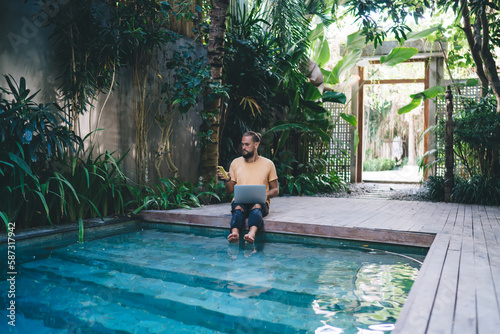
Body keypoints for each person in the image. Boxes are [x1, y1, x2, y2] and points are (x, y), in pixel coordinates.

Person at [218, 131, 279, 244]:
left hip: (260, 203)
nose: (243, 147)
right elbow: (229, 191)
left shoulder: (268, 164)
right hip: (240, 202)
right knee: (237, 209)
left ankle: (251, 234)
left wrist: (266, 194)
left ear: (256, 144)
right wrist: (227, 180)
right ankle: (235, 233)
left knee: (256, 207)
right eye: (242, 144)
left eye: (247, 144)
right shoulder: (235, 163)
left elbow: (276, 189)